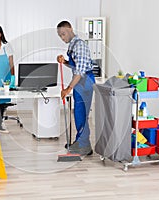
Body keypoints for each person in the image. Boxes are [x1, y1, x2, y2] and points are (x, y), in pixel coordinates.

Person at [57, 21, 95, 156]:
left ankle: (84, 145)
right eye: (60, 35)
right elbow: (76, 66)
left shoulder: (79, 46)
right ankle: (81, 142)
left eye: (63, 34)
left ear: (70, 29)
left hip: (84, 82)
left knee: (82, 114)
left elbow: (80, 72)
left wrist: (68, 89)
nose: (62, 38)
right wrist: (65, 62)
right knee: (78, 114)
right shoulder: (73, 46)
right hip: (80, 83)